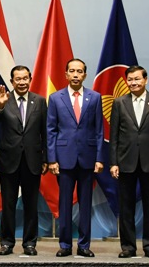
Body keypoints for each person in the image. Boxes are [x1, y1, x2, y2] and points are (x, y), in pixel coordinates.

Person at [46, 58, 106, 257]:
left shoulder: (95, 97)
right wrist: (52, 159)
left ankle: (83, 245)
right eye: (72, 71)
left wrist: (99, 158)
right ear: (66, 74)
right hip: (64, 159)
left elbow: (99, 131)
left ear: (85, 75)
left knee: (85, 204)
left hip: (88, 159)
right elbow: (51, 130)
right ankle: (64, 245)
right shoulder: (55, 98)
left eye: (79, 71)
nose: (75, 74)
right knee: (64, 203)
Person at [109, 66, 149, 259]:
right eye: (130, 80)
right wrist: (114, 162)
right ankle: (128, 247)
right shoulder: (119, 103)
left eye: (137, 79)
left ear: (146, 80)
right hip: (125, 161)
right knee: (126, 207)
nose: (133, 83)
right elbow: (114, 136)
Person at [0, 65, 47, 256]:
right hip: (9, 160)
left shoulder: (39, 101)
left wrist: (46, 158)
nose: (21, 82)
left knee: (31, 204)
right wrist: (0, 105)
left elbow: (45, 132)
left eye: (25, 78)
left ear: (30, 79)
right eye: (17, 79)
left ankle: (30, 243)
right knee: (8, 204)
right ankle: (6, 242)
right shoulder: (4, 100)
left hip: (32, 160)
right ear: (12, 81)